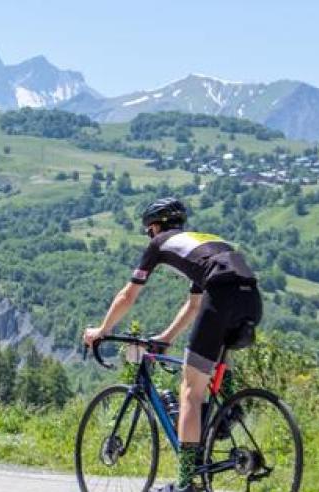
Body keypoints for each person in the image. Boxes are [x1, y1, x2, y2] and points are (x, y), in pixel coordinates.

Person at [83, 198, 262, 492]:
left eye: (148, 231)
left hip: (222, 294)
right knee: (213, 367)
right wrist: (166, 337)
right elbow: (194, 305)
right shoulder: (203, 246)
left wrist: (102, 330)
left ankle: (187, 482)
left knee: (190, 390)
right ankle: (227, 413)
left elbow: (128, 295)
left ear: (155, 227)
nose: (150, 236)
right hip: (251, 297)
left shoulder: (160, 243)